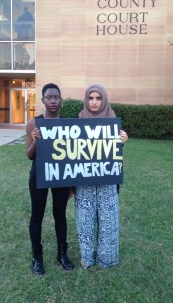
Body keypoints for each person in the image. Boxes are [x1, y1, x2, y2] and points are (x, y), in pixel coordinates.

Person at [74, 84, 128, 269]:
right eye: (91, 98)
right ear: (86, 100)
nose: (94, 102)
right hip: (84, 182)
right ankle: (87, 258)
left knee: (108, 220)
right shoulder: (78, 121)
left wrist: (122, 143)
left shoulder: (112, 121)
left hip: (107, 181)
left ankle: (107, 258)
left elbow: (114, 154)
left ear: (104, 100)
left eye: (98, 98)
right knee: (84, 221)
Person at [26, 83, 74, 275]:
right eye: (49, 97)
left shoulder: (68, 124)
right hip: (39, 174)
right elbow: (29, 155)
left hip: (60, 175)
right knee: (37, 216)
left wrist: (72, 183)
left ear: (60, 99)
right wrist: (36, 140)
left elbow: (72, 155)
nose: (53, 101)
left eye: (56, 97)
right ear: (43, 100)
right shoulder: (33, 123)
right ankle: (37, 257)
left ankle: (62, 254)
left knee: (60, 214)